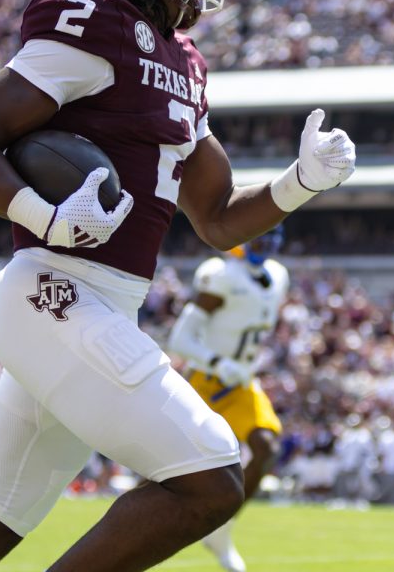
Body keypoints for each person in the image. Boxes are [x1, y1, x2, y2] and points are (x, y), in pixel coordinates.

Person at [0, 0, 356, 572]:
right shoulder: (94, 20)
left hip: (92, 308)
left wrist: (301, 182)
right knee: (210, 476)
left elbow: (217, 217)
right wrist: (41, 215)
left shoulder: (182, 63)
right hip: (53, 292)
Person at [167, 225, 290, 572]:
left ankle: (222, 530)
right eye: (259, 234)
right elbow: (181, 339)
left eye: (270, 235)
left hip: (241, 384)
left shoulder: (278, 276)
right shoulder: (220, 276)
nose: (265, 242)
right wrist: (219, 362)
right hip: (205, 382)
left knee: (266, 447)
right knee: (165, 468)